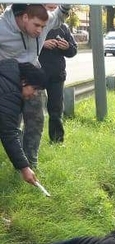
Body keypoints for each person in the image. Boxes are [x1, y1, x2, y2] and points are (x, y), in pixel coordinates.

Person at [0, 3, 71, 168]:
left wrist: (66, 6)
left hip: (33, 75)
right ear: (25, 17)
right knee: (11, 124)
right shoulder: (3, 28)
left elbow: (59, 15)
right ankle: (18, 161)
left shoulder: (43, 19)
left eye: (43, 27)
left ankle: (30, 162)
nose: (40, 30)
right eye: (36, 25)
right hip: (9, 79)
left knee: (36, 120)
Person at [0, 58, 47, 185]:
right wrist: (25, 168)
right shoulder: (10, 94)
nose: (35, 94)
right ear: (24, 81)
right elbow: (8, 133)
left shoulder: (9, 69)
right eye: (35, 89)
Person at [39, 6, 77, 143]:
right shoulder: (36, 23)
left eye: (55, 7)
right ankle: (28, 141)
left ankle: (56, 140)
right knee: (32, 110)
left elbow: (73, 50)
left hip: (56, 74)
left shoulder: (63, 27)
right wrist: (42, 44)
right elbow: (26, 46)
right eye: (50, 7)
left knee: (56, 109)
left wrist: (67, 47)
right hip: (36, 73)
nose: (53, 10)